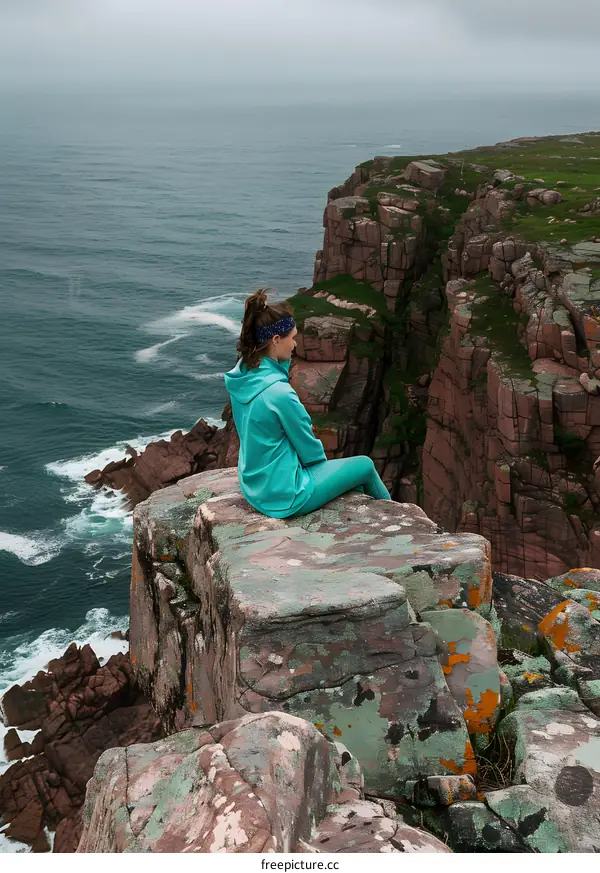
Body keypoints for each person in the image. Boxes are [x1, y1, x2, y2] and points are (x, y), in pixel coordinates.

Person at [223, 288, 392, 519]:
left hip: (254, 485)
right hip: (285, 494)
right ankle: (395, 521)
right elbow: (312, 455)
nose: (295, 345)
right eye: (292, 338)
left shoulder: (242, 377)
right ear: (275, 340)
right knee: (364, 466)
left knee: (349, 480)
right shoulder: (280, 393)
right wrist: (308, 443)